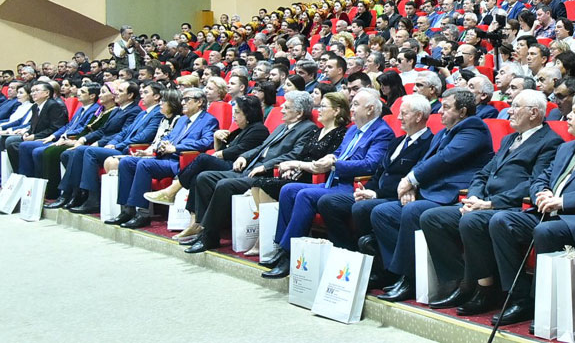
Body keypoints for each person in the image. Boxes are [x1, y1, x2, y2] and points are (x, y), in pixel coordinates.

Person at [485, 92, 575, 325]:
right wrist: (541, 194)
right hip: (545, 211)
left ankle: (542, 305)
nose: (568, 116)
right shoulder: (567, 148)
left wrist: (564, 201)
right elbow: (540, 178)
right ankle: (520, 298)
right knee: (501, 221)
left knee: (546, 232)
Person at [418, 90, 563, 314]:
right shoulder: (509, 139)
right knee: (432, 218)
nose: (510, 111)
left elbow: (533, 184)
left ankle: (487, 289)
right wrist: (474, 196)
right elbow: (483, 174)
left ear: (534, 113)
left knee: (471, 221)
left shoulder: (551, 142)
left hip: (511, 207)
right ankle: (461, 281)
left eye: (516, 106)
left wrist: (491, 203)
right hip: (483, 203)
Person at [370, 88, 494, 301]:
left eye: (446, 108)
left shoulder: (474, 128)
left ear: (463, 111)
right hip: (430, 191)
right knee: (382, 212)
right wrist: (412, 185)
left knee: (413, 211)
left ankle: (410, 279)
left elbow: (446, 159)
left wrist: (410, 180)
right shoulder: (444, 132)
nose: (440, 112)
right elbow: (423, 162)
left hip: (455, 194)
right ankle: (403, 272)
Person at [260, 89, 393, 275]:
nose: (351, 109)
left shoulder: (382, 132)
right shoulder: (353, 129)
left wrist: (335, 164)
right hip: (332, 182)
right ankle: (281, 247)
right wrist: (331, 156)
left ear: (370, 109)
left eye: (355, 104)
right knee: (289, 190)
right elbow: (339, 153)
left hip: (351, 187)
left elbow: (371, 164)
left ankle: (289, 255)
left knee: (306, 195)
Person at [317, 94, 435, 286]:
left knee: (363, 208)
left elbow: (410, 178)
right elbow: (379, 171)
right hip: (377, 193)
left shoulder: (430, 143)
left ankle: (382, 267)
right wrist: (367, 189)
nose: (398, 118)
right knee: (329, 202)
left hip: (398, 196)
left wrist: (376, 193)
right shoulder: (397, 141)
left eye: (403, 114)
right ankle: (352, 256)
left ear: (418, 116)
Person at [181, 91, 318, 250]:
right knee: (204, 177)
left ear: (299, 112)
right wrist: (244, 157)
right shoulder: (282, 127)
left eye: (286, 107)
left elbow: (294, 154)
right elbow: (261, 147)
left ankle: (208, 237)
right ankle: (203, 230)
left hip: (266, 174)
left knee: (225, 185)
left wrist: (266, 166)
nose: (281, 110)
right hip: (250, 167)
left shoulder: (308, 128)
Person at [142, 95, 273, 240]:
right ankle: (195, 223)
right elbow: (221, 148)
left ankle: (171, 191)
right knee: (198, 176)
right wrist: (217, 138)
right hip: (229, 163)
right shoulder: (241, 130)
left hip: (238, 168)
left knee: (203, 158)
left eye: (237, 112)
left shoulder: (259, 130)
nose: (234, 116)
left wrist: (219, 152)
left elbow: (232, 152)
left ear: (248, 114)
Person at [110, 87, 220, 227]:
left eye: (187, 100)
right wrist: (160, 145)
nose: (183, 103)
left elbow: (206, 142)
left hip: (181, 161)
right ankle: (126, 210)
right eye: (182, 100)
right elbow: (168, 136)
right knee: (126, 162)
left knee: (143, 165)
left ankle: (143, 214)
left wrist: (176, 147)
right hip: (165, 157)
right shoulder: (181, 120)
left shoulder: (209, 120)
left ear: (199, 102)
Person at [60, 81, 165, 214]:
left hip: (130, 149)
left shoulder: (156, 113)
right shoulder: (142, 113)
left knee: (88, 151)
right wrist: (113, 142)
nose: (142, 95)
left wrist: (116, 145)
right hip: (119, 145)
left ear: (156, 97)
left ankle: (93, 198)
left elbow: (143, 137)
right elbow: (123, 133)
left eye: (145, 93)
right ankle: (75, 194)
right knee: (73, 152)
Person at [3, 80, 69, 173]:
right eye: (32, 91)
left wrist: (35, 136)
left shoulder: (53, 105)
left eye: (36, 90)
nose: (33, 93)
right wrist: (27, 133)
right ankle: (19, 173)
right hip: (37, 135)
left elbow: (56, 128)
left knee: (20, 144)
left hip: (49, 138)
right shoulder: (35, 106)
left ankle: (27, 175)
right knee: (12, 146)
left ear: (47, 93)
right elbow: (33, 125)